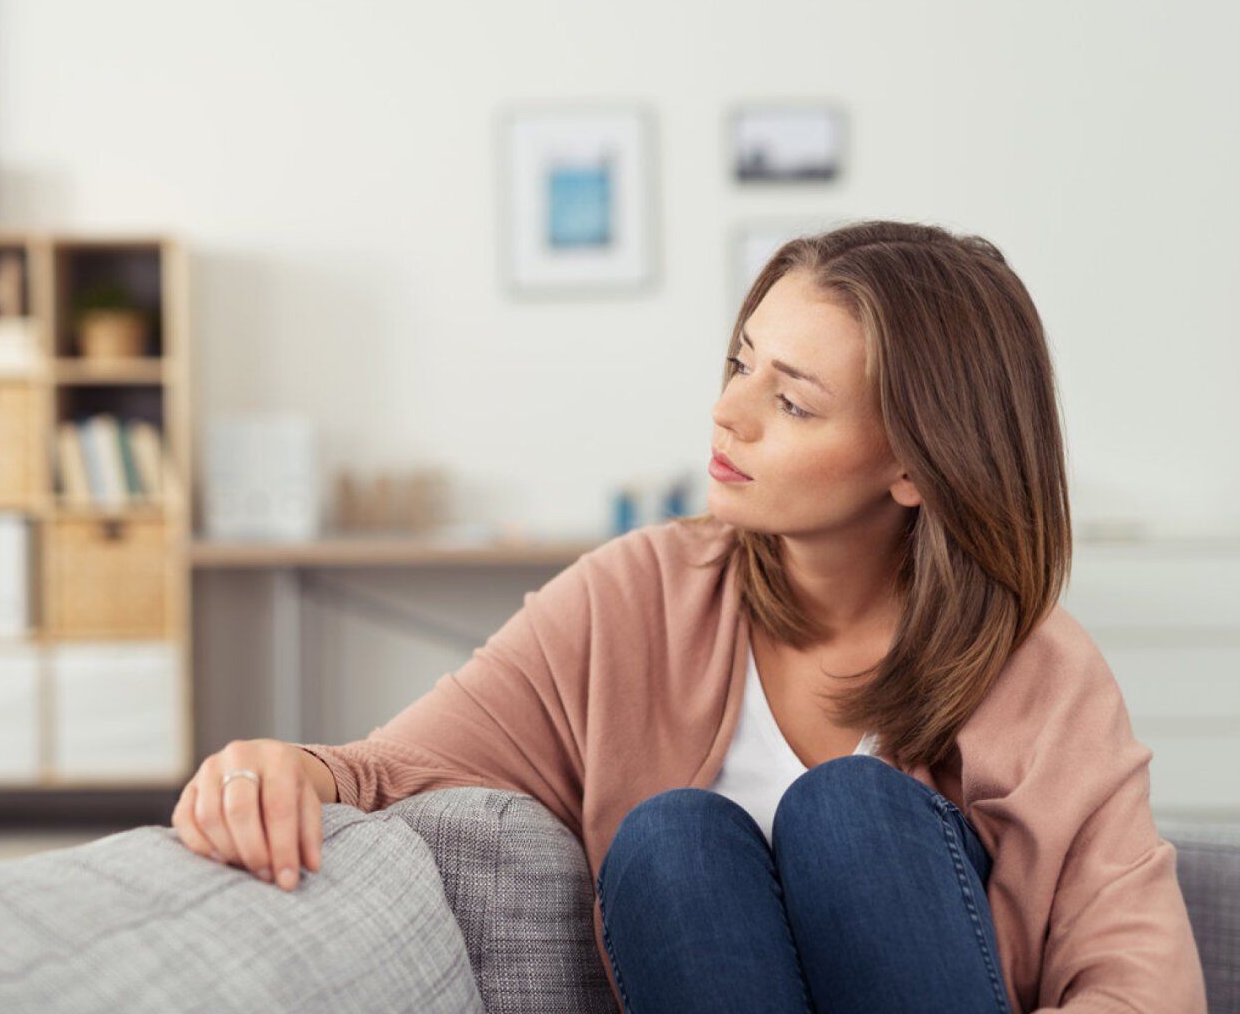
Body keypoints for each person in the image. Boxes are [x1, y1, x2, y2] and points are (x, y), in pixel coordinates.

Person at [170, 220, 1207, 1012]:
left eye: (792, 401)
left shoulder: (1038, 667)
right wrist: (276, 768)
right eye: (739, 363)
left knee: (850, 812)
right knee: (672, 838)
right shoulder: (634, 595)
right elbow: (380, 769)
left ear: (914, 464)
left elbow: (1141, 979)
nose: (728, 412)